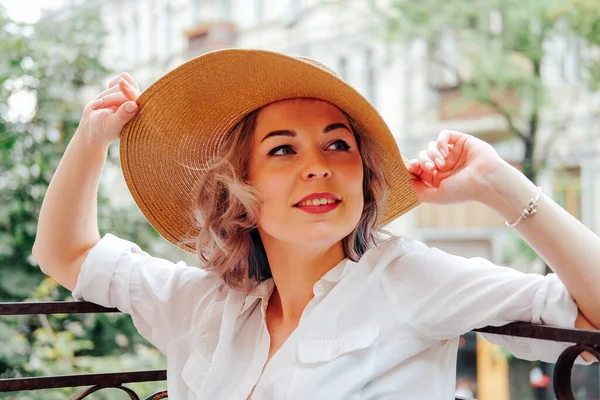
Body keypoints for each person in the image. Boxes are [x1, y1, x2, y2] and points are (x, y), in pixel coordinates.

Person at [33, 49, 599, 399]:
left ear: (362, 177)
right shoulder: (203, 303)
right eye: (283, 150)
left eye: (338, 144)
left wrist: (500, 186)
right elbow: (65, 255)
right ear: (242, 191)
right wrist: (90, 141)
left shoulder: (408, 278)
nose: (318, 166)